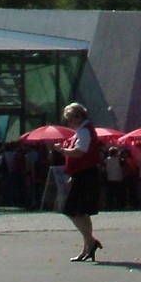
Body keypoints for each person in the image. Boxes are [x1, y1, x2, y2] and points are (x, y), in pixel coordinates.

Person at [57, 103, 104, 261]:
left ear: (78, 117)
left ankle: (90, 242)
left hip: (85, 174)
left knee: (71, 210)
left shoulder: (84, 131)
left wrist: (61, 150)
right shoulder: (83, 130)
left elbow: (79, 152)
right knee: (82, 211)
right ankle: (87, 246)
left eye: (70, 119)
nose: (69, 123)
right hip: (83, 174)